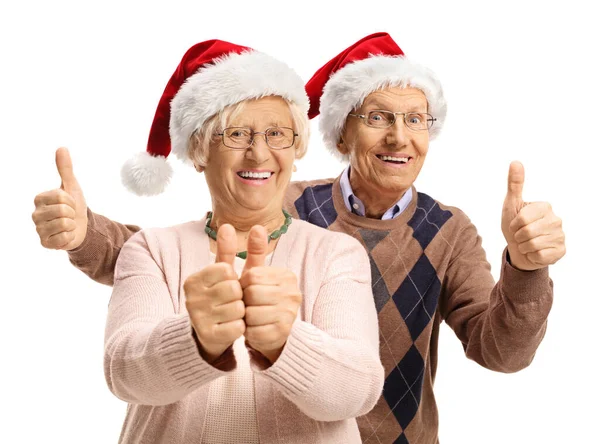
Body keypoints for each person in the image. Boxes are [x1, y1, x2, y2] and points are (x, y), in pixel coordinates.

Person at [32, 33, 565, 443]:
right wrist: (85, 234)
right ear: (339, 133)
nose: (400, 136)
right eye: (378, 116)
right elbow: (169, 253)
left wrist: (526, 268)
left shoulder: (446, 231)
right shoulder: (284, 200)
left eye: (415, 119)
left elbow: (500, 351)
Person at [33, 39, 384, 444]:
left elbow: (358, 391)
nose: (259, 153)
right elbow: (124, 373)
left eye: (276, 133)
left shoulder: (337, 254)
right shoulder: (151, 250)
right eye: (236, 134)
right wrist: (196, 340)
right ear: (199, 151)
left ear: (296, 148)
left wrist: (286, 342)